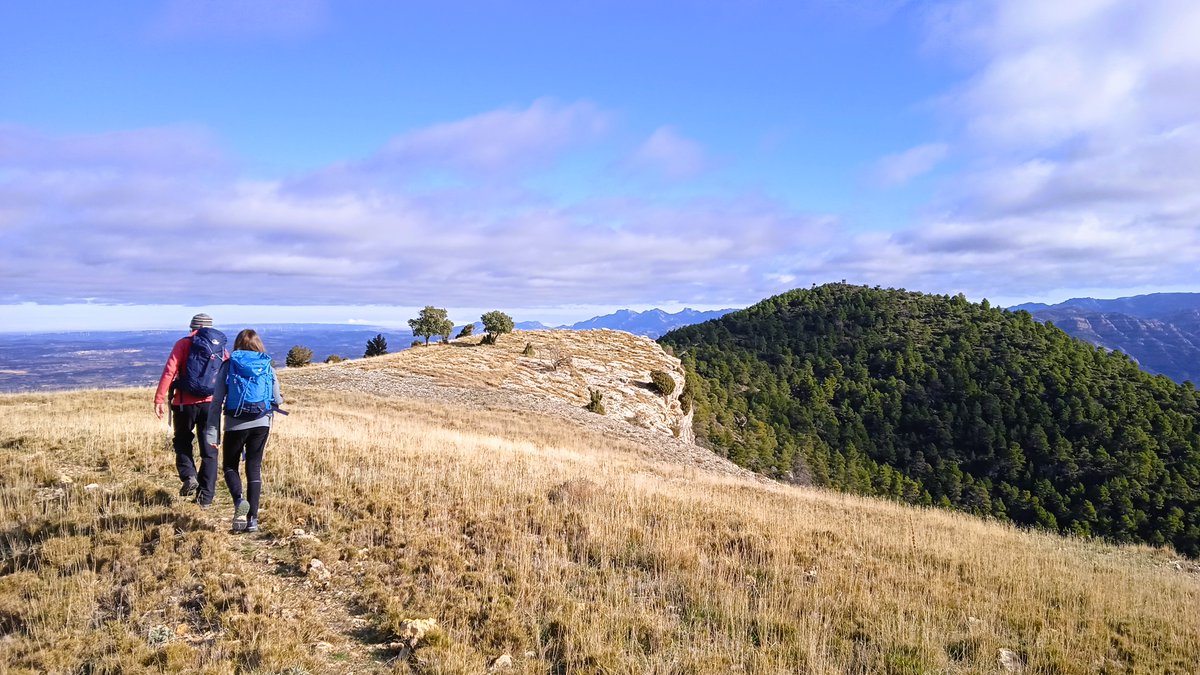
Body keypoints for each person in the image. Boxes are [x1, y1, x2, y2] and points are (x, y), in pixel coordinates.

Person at [205, 329, 283, 533]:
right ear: (258, 344)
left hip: (235, 423)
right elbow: (278, 398)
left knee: (230, 466)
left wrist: (213, 433)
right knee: (254, 467)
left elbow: (216, 401)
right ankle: (253, 521)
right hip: (261, 422)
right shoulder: (266, 364)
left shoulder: (229, 364)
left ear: (238, 344)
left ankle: (239, 500)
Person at [154, 313, 227, 506]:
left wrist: (159, 398)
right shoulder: (219, 347)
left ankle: (188, 476)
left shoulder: (183, 343)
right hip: (211, 405)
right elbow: (226, 372)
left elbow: (170, 370)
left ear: (192, 327)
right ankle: (205, 498)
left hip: (184, 404)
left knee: (183, 441)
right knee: (210, 450)